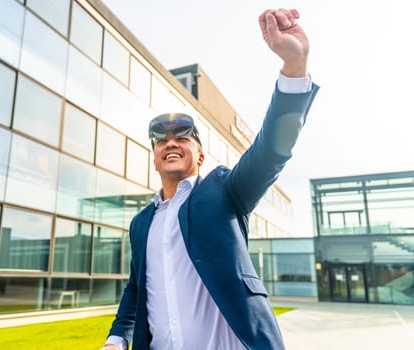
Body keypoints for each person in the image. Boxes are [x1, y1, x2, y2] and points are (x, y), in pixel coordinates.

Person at [101, 8, 319, 350]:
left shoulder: (224, 191)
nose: (170, 142)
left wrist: (294, 68)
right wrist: (116, 339)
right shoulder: (141, 223)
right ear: (155, 158)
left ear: (200, 156)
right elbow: (135, 289)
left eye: (182, 136)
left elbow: (271, 151)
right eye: (161, 140)